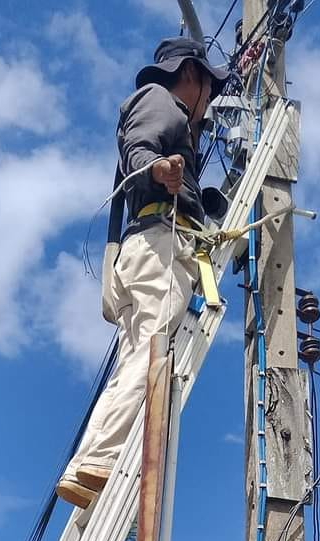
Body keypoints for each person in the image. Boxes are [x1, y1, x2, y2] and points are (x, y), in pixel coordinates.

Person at [57, 37, 229, 509]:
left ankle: (94, 460)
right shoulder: (159, 101)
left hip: (148, 245)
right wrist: (160, 169)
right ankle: (96, 460)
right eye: (209, 88)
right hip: (159, 246)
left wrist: (196, 192)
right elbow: (140, 151)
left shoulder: (171, 115)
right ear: (191, 74)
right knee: (153, 349)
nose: (209, 102)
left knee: (136, 355)